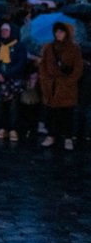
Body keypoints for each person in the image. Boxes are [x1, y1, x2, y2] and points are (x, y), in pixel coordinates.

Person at [39, 22, 83, 150]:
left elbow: (78, 68)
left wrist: (69, 82)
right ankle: (51, 135)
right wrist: (45, 80)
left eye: (61, 32)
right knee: (51, 113)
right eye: (57, 31)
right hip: (52, 85)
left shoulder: (74, 49)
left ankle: (68, 138)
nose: (58, 34)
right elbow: (43, 66)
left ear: (67, 34)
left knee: (66, 113)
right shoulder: (49, 47)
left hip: (66, 86)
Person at [0, 23, 27, 141]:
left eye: (6, 30)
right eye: (2, 30)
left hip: (14, 78)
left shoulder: (19, 46)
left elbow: (21, 62)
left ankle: (13, 128)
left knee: (13, 104)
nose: (4, 33)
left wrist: (6, 74)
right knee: (1, 104)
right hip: (1, 78)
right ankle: (2, 127)